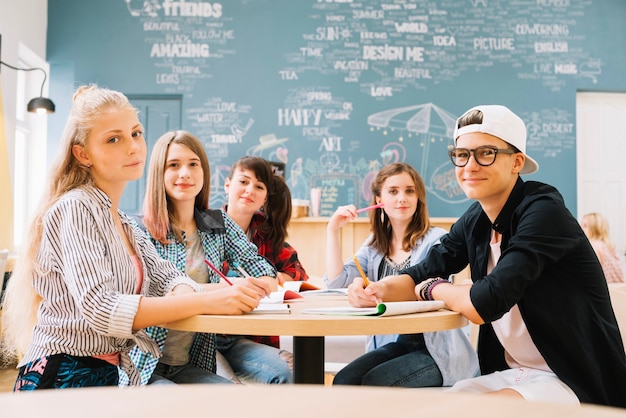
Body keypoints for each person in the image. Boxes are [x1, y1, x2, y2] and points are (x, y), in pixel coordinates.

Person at [350, 105, 626, 407]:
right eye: (462, 154)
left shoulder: (544, 212)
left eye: (486, 153)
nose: (469, 165)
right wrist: (377, 291)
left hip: (574, 379)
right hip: (517, 373)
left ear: (517, 162)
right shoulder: (476, 220)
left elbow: (485, 302)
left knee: (474, 410)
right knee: (439, 408)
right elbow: (422, 271)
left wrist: (432, 288)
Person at [0, 86, 271, 390]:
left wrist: (192, 293)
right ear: (82, 154)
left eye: (136, 133)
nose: (133, 147)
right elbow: (101, 308)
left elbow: (168, 277)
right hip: (63, 377)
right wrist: (207, 297)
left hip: (110, 373)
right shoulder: (76, 207)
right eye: (113, 139)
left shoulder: (125, 223)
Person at [123, 131, 292, 386]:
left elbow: (266, 274)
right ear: (159, 172)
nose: (185, 173)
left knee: (237, 404)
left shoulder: (216, 223)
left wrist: (257, 284)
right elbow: (149, 299)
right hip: (144, 366)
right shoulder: (137, 229)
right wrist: (223, 289)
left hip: (190, 363)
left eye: (193, 164)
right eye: (174, 165)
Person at [324, 162, 479, 387]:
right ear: (379, 201)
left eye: (409, 191)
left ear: (418, 198)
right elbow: (338, 281)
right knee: (344, 380)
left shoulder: (438, 241)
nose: (402, 198)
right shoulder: (374, 246)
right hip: (399, 342)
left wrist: (380, 289)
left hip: (438, 350)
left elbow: (438, 296)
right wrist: (333, 230)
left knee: (374, 382)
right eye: (393, 191)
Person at [218, 155, 308, 378]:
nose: (249, 190)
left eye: (258, 186)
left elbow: (296, 271)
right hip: (209, 335)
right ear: (227, 185)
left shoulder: (265, 232)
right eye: (243, 182)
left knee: (293, 370)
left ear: (265, 196)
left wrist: (274, 279)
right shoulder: (205, 225)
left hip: (251, 338)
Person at [581, 212, 624, 283]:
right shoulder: (609, 247)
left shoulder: (593, 245)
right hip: (619, 290)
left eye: (585, 226)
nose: (581, 229)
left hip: (607, 290)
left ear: (595, 228)